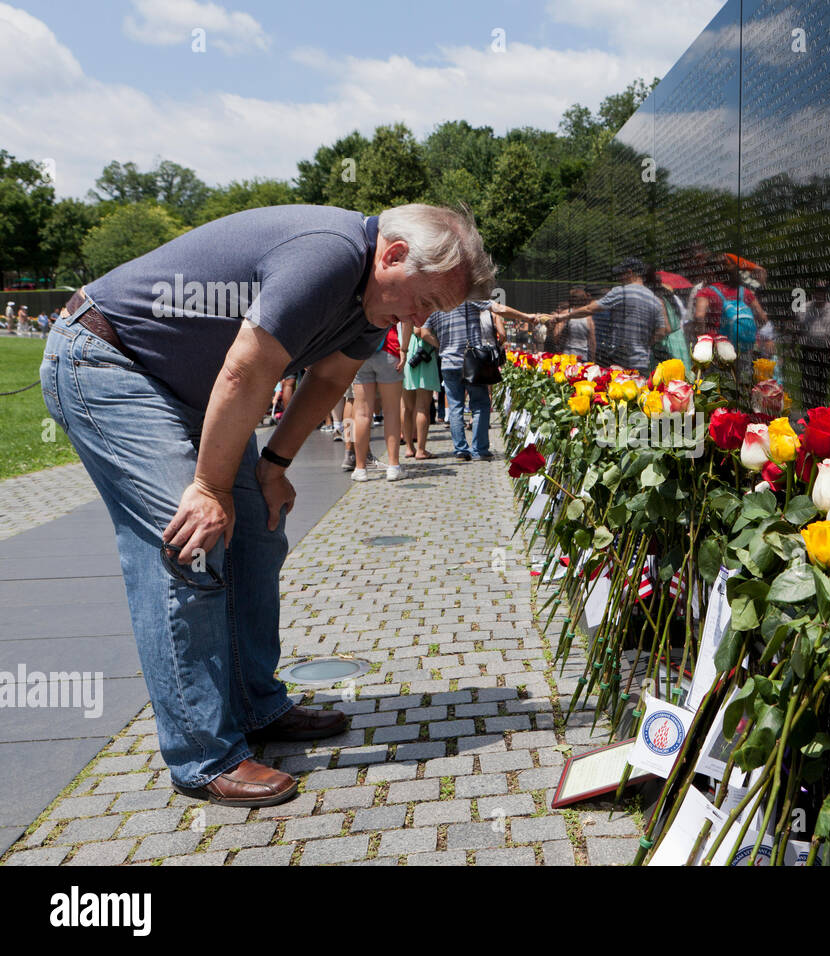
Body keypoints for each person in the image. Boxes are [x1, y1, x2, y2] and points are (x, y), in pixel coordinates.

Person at [39, 203, 493, 807]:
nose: (421, 318)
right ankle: (203, 754)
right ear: (394, 255)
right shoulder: (328, 253)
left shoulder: (368, 300)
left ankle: (256, 703)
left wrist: (272, 466)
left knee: (257, 531)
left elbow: (329, 381)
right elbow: (247, 368)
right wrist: (208, 489)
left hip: (184, 386)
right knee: (190, 546)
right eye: (428, 302)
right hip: (108, 362)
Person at [562, 259, 668, 376]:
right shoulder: (655, 300)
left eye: (620, 274)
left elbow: (589, 309)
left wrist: (564, 316)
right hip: (641, 362)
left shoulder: (621, 292)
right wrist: (645, 343)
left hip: (619, 361)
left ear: (629, 273)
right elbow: (662, 331)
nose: (619, 279)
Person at [425, 299, 494, 461]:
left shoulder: (434, 304)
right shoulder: (467, 298)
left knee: (455, 407)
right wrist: (527, 317)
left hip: (448, 363)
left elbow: (422, 332)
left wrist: (441, 345)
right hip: (470, 361)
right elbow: (497, 307)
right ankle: (479, 449)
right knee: (481, 404)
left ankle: (461, 450)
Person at [351, 323, 408, 481]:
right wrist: (404, 349)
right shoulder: (397, 296)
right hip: (389, 349)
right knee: (391, 411)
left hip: (361, 351)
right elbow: (407, 320)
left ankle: (360, 468)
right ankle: (393, 466)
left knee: (362, 413)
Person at [797, 281, 830, 409]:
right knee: (807, 382)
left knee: (822, 383)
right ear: (814, 292)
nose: (819, 294)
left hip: (826, 351)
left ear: (826, 293)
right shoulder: (804, 308)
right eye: (817, 291)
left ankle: (819, 412)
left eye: (822, 292)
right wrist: (791, 348)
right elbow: (798, 330)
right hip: (808, 349)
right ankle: (807, 411)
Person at [402, 318, 440, 460]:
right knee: (422, 407)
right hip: (423, 356)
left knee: (406, 407)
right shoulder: (422, 306)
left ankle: (408, 447)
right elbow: (421, 331)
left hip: (406, 355)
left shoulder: (401, 307)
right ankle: (421, 450)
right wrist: (439, 344)